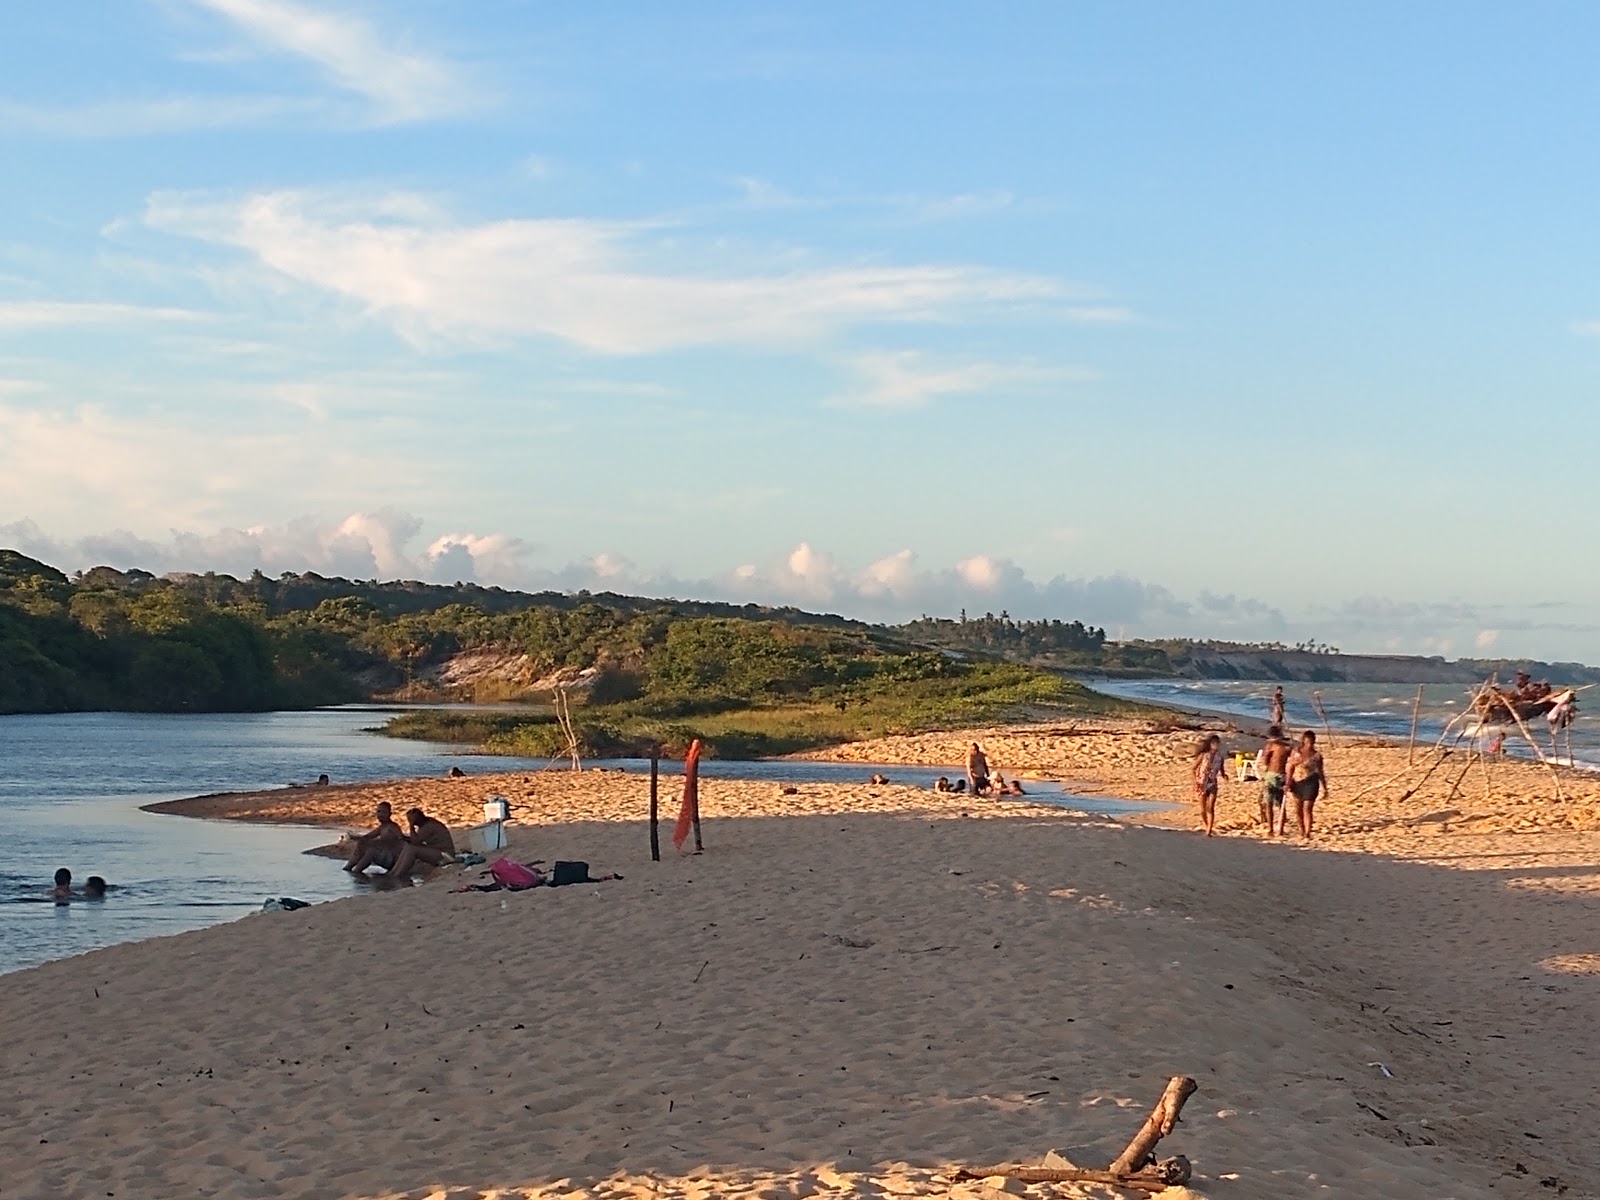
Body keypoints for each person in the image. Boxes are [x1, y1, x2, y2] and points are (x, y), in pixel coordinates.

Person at [390, 808, 458, 877]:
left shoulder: (429, 826)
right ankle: (393, 872)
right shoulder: (425, 825)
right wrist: (403, 838)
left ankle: (398, 874)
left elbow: (415, 842)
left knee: (412, 849)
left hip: (446, 855)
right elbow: (415, 841)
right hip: (437, 851)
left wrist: (411, 826)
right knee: (408, 846)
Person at [1286, 730, 1328, 839]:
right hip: (1297, 782)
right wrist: (1288, 782)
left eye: (1311, 741)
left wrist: (1325, 787)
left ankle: (1307, 832)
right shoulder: (1296, 752)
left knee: (1307, 808)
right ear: (1303, 741)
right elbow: (1290, 767)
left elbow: (1320, 772)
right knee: (1297, 809)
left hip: (1311, 782)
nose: (1309, 743)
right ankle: (1301, 830)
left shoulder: (1317, 755)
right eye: (1307, 741)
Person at [344, 802, 407, 874]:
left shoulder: (393, 827)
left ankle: (356, 871)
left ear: (390, 814)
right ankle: (350, 866)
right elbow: (367, 837)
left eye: (384, 812)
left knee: (372, 852)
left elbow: (401, 840)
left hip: (394, 860)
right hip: (386, 856)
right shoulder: (382, 827)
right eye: (379, 812)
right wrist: (356, 839)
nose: (380, 815)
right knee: (362, 843)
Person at [1257, 725, 1293, 836]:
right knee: (1275, 803)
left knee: (1275, 803)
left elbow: (1265, 761)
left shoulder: (1276, 747)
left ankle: (1275, 828)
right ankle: (1275, 828)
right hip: (1277, 774)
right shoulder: (1282, 747)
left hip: (1275, 774)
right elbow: (1266, 760)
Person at [1191, 733, 1225, 837]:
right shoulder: (1203, 755)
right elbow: (1193, 768)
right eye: (1214, 743)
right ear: (1210, 744)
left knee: (1211, 807)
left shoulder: (1220, 757)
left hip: (1213, 783)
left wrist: (1224, 775)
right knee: (1203, 809)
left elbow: (1221, 769)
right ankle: (1206, 825)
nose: (1216, 745)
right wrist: (1195, 781)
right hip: (1201, 782)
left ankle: (1209, 830)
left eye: (1217, 743)